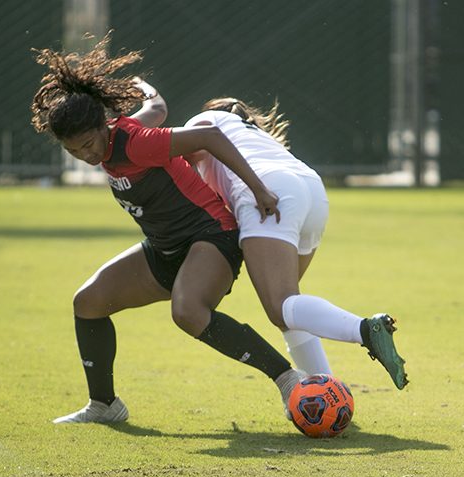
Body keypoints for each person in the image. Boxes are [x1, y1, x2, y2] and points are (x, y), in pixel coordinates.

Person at [30, 35, 303, 423]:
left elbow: (210, 136)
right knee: (88, 302)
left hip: (211, 236)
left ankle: (288, 378)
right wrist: (143, 89)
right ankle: (105, 405)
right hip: (165, 248)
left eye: (89, 145)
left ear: (102, 127)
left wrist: (259, 189)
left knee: (188, 311)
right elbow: (156, 109)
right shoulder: (116, 135)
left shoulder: (135, 143)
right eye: (74, 152)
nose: (86, 156)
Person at [180, 98, 409, 390]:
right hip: (311, 190)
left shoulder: (204, 121)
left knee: (280, 306)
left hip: (269, 191)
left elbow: (174, 155)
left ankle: (364, 329)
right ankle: (325, 389)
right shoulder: (253, 133)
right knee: (290, 311)